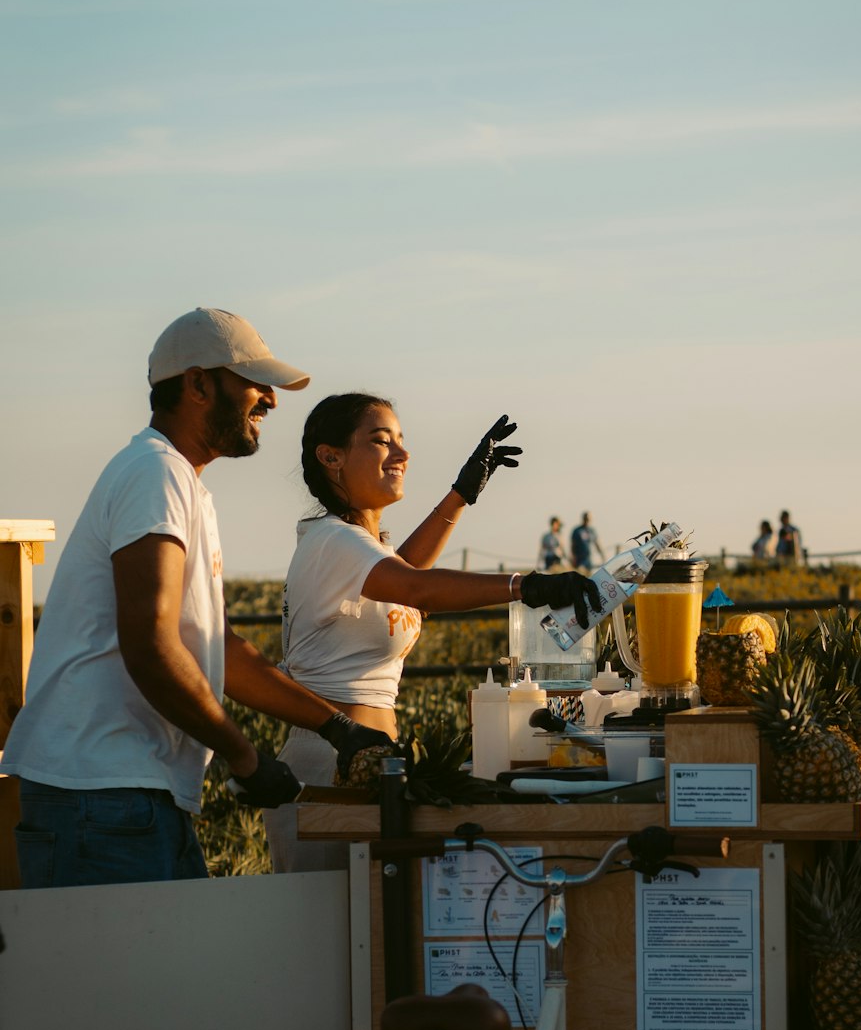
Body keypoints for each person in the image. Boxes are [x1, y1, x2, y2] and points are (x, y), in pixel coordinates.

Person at [1, 308, 386, 888]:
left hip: (127, 796)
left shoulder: (177, 481)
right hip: (101, 799)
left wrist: (336, 728)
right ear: (199, 383)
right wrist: (245, 756)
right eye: (254, 382)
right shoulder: (154, 476)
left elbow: (215, 648)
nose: (271, 401)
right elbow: (151, 646)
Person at [263, 395, 601, 872]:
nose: (401, 454)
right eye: (381, 442)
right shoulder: (332, 541)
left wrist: (461, 493)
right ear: (330, 456)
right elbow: (419, 587)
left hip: (368, 766)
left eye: (402, 441)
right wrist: (525, 585)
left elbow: (406, 576)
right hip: (326, 768)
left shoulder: (361, 546)